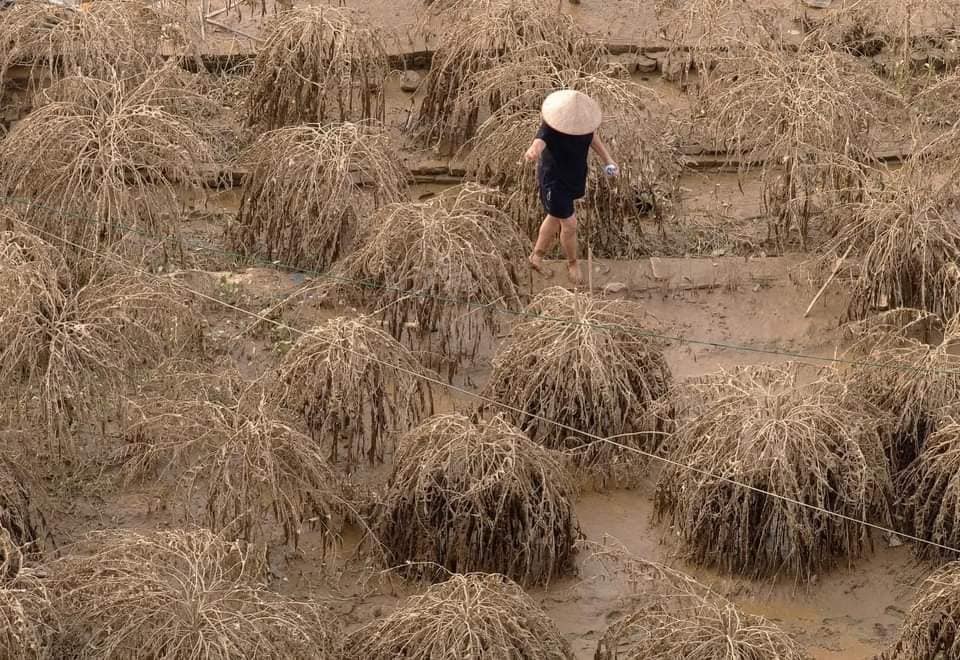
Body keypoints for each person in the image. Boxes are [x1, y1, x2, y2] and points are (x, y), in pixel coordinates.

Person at [523, 89, 618, 285]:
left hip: (574, 176)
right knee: (569, 223)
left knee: (555, 216)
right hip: (554, 181)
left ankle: (536, 256)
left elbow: (592, 139)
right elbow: (539, 142)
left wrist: (608, 159)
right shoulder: (550, 128)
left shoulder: (584, 127)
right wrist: (533, 151)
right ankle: (572, 262)